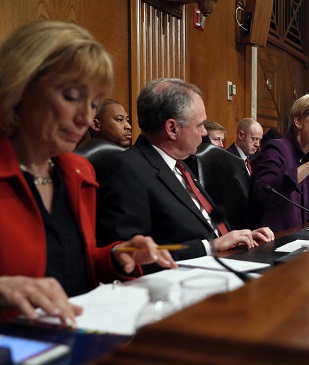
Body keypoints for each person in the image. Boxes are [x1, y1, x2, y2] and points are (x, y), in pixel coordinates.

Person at [0, 20, 175, 325]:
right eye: (71, 96)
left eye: (94, 104)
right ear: (20, 86)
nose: (85, 117)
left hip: (77, 335)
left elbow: (70, 267)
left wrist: (116, 255)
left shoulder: (78, 172)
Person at [96, 78, 274, 261]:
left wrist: (240, 237)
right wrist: (209, 247)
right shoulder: (127, 169)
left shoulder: (181, 165)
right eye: (199, 125)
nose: (204, 132)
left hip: (227, 263)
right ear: (172, 128)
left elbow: (204, 226)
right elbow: (129, 256)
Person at [251, 93, 309, 232]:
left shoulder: (306, 157)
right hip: (273, 242)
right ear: (298, 121)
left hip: (299, 238)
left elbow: (303, 214)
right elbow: (265, 195)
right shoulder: (276, 148)